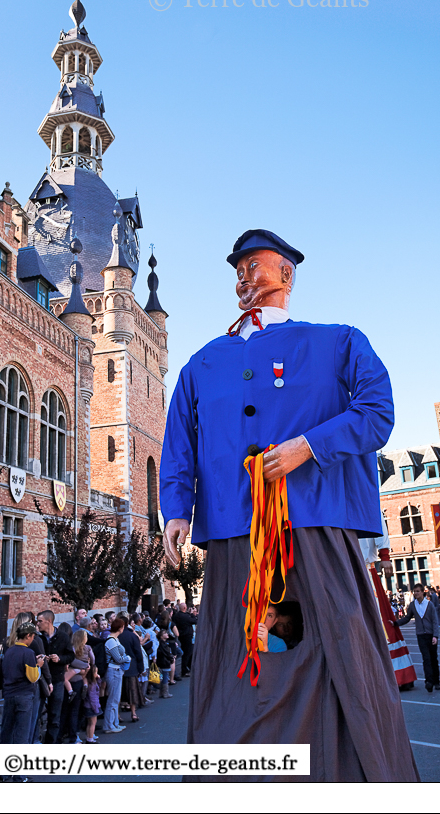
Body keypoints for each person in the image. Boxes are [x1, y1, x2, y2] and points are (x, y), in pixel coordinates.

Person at [160, 229, 419, 782]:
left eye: (254, 265)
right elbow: (178, 441)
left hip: (314, 529)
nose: (243, 277)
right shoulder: (200, 365)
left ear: (286, 274)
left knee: (332, 653)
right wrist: (176, 510)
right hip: (235, 536)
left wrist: (309, 447)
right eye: (237, 270)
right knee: (245, 662)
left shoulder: (338, 342)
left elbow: (378, 411)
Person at [359, 514, 417, 690]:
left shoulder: (362, 499)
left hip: (365, 571)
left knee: (379, 622)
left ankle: (396, 675)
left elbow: (376, 517)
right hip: (346, 570)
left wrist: (385, 555)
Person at [0, 622, 44, 781]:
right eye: (32, 636)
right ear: (28, 636)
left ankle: (1, 772)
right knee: (22, 736)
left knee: (6, 733)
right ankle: (19, 776)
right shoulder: (28, 653)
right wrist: (38, 665)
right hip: (24, 696)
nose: (33, 639)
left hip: (9, 695)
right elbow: (33, 677)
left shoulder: (9, 650)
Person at [393, 583, 440, 693]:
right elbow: (407, 618)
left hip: (431, 635)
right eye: (414, 591)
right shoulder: (412, 605)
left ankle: (436, 681)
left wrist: (435, 636)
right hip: (421, 635)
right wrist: (395, 623)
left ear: (423, 592)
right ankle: (428, 681)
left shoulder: (429, 604)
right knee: (426, 658)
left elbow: (435, 621)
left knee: (433, 658)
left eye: (418, 591)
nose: (416, 593)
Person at [36, 609, 75, 743]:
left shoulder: (62, 637)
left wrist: (59, 659)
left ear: (49, 621)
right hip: (41, 679)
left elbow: (70, 656)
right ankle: (35, 741)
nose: (38, 623)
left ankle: (52, 742)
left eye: (40, 621)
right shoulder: (38, 638)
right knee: (37, 713)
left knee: (54, 714)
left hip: (57, 678)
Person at [102, 617, 130, 734]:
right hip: (113, 670)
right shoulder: (111, 641)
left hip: (117, 670)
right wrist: (127, 658)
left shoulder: (114, 640)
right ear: (121, 628)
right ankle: (109, 725)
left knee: (115, 699)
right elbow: (118, 658)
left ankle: (114, 723)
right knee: (113, 699)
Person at [172, 602, 196, 676]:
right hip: (187, 636)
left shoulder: (176, 616)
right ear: (185, 608)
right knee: (187, 653)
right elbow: (194, 621)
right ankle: (184, 669)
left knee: (187, 652)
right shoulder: (186, 617)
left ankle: (188, 667)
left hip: (181, 635)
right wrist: (192, 614)